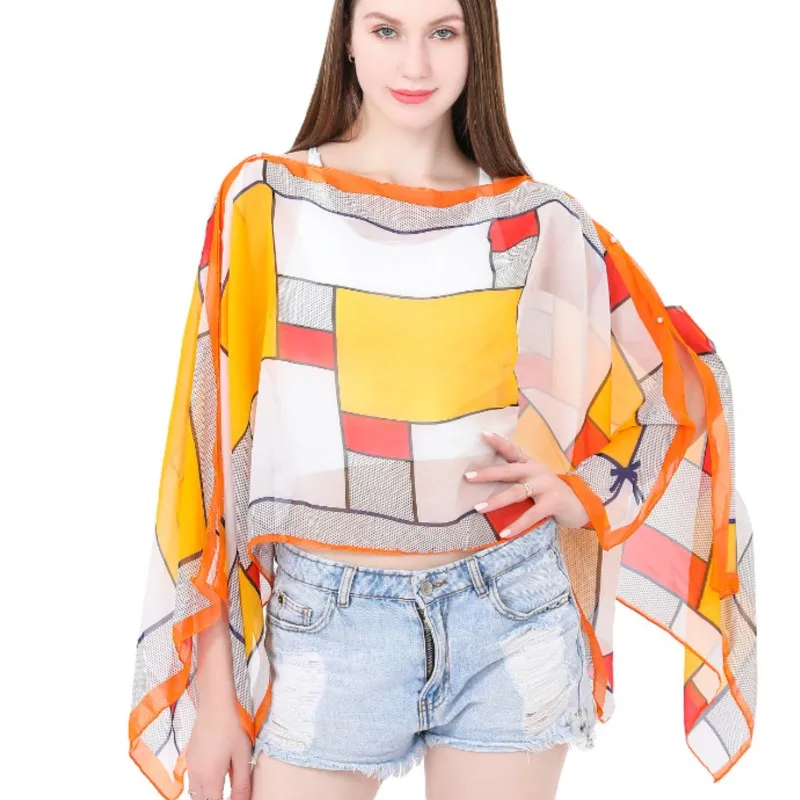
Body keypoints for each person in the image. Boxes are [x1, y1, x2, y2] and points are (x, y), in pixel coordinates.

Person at [128, 1, 757, 799]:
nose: (415, 65)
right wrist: (214, 693)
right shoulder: (268, 203)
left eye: (443, 32)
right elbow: (210, 461)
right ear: (347, 38)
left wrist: (582, 493)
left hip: (511, 610)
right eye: (386, 29)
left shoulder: (538, 221)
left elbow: (677, 388)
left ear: (475, 41)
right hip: (327, 621)